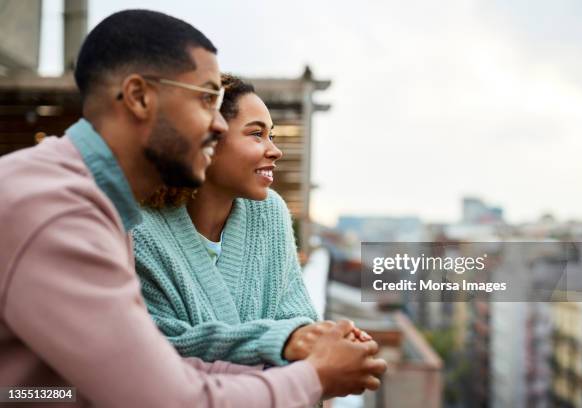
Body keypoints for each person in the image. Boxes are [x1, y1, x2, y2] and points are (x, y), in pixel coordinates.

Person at [0, 9, 386, 407]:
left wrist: (297, 354)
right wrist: (313, 377)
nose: (218, 125)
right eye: (205, 99)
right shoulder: (56, 213)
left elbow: (151, 372)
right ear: (138, 97)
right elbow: (167, 398)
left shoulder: (98, 204)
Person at [134, 74, 371, 367]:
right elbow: (158, 345)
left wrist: (321, 338)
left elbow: (296, 315)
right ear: (207, 138)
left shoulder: (270, 213)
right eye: (256, 134)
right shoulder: (138, 232)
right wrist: (282, 343)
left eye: (271, 135)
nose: (275, 150)